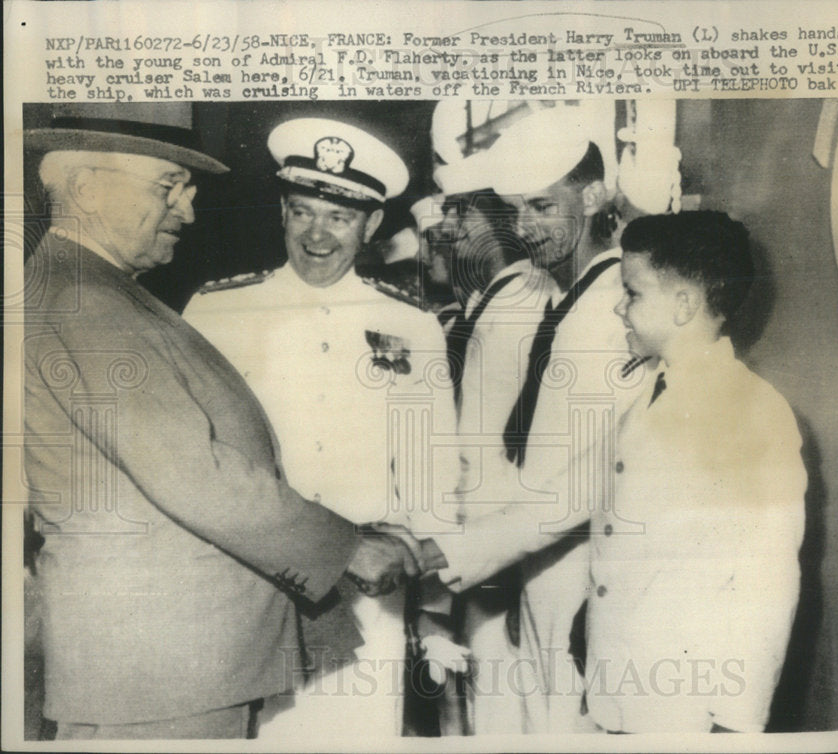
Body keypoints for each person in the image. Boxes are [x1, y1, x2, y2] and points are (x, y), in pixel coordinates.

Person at [21, 116, 419, 740]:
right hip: (162, 660)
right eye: (168, 186)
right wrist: (345, 548)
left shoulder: (95, 291)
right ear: (90, 190)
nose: (188, 208)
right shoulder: (89, 302)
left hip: (171, 656)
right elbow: (190, 471)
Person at [415, 211, 808, 733]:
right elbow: (556, 504)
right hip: (613, 694)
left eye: (634, 293)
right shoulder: (648, 399)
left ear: (685, 305)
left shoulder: (753, 411)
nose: (620, 307)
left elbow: (767, 584)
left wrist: (735, 727)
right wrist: (428, 555)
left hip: (683, 710)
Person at [183, 117, 458, 739]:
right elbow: (194, 460)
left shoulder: (411, 325)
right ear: (282, 211)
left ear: (371, 226)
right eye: (303, 211)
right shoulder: (216, 310)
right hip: (253, 579)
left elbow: (430, 474)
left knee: (357, 736)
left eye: (338, 217)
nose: (317, 233)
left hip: (368, 588)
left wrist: (434, 611)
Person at [398, 106, 649, 734]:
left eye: (542, 206)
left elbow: (595, 475)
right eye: (514, 211)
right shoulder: (563, 296)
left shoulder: (622, 303)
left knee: (562, 723)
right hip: (532, 562)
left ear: (592, 196)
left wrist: (455, 551)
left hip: (586, 567)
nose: (525, 227)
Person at [430, 149, 560, 734]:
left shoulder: (524, 297)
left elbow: (505, 440)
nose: (449, 228)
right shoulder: (494, 297)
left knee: (500, 691)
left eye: (464, 212)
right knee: (481, 688)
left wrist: (493, 555)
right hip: (477, 536)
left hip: (499, 538)